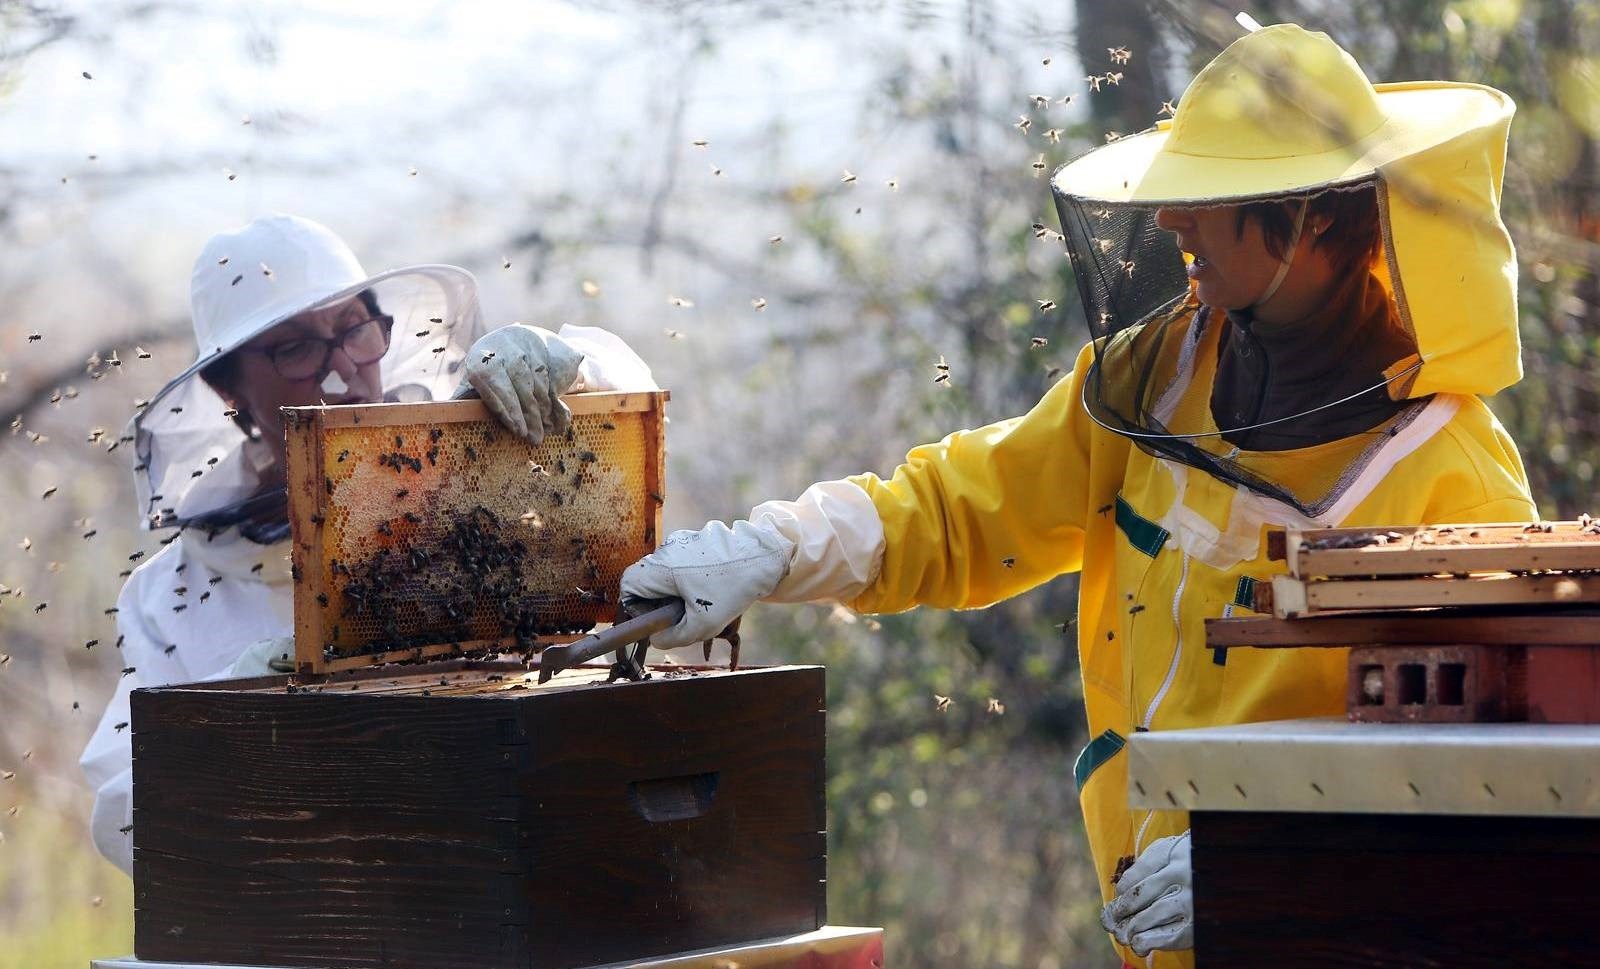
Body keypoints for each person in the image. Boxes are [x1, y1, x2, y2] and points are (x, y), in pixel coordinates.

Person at [620, 24, 1536, 968]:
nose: (1176, 223)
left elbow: (1491, 781)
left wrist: (1277, 856)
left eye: (1209, 201)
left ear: (1309, 220)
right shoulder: (1162, 373)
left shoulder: (1454, 474)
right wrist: (777, 549)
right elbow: (968, 506)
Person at [80, 213, 656, 875]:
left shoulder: (473, 484)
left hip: (501, 856)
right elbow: (126, 813)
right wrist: (234, 718)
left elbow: (627, 406)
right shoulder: (169, 598)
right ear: (228, 386)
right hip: (318, 902)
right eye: (295, 348)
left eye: (354, 330)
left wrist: (570, 370)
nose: (340, 372)